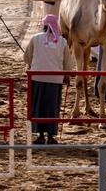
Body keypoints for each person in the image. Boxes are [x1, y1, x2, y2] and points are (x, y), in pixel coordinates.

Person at [24, 14, 74, 144]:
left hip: (37, 78)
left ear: (44, 25)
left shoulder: (35, 38)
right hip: (55, 80)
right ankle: (51, 136)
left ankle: (40, 135)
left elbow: (27, 57)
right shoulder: (62, 41)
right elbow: (68, 63)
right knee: (52, 107)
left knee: (38, 106)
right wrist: (66, 75)